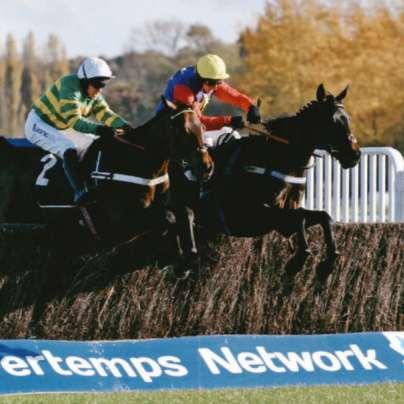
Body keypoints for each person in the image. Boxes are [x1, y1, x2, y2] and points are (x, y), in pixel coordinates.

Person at [25, 56, 132, 205]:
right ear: (85, 81)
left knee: (93, 145)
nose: (99, 90)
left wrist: (125, 126)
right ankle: (79, 191)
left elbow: (105, 113)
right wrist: (100, 129)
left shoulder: (94, 94)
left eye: (103, 85)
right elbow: (74, 121)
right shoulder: (69, 86)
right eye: (97, 85)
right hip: (39, 123)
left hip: (62, 126)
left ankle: (89, 184)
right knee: (68, 148)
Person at [156, 53, 261, 148]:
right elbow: (196, 123)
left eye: (218, 82)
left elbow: (234, 96)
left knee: (231, 134)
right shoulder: (184, 91)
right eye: (211, 83)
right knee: (208, 141)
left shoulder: (208, 79)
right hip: (169, 129)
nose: (215, 87)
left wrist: (251, 106)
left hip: (189, 125)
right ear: (199, 79)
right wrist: (229, 121)